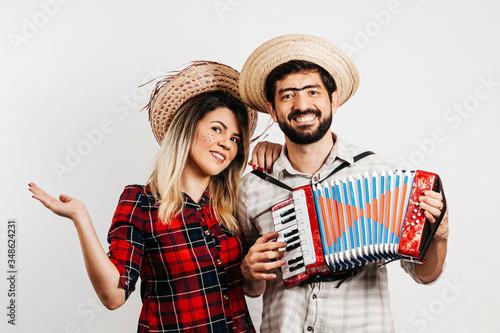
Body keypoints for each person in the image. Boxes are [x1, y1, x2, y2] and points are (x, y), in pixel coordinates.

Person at [237, 34, 449, 332]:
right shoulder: (251, 188)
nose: (301, 104)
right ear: (272, 110)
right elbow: (253, 289)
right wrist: (248, 269)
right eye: (287, 95)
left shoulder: (380, 173)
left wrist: (438, 235)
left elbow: (423, 275)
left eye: (313, 92)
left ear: (333, 100)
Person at [29, 62, 259, 333]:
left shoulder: (231, 205)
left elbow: (253, 290)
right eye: (217, 129)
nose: (226, 143)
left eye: (235, 139)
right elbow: (113, 296)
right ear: (187, 129)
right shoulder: (142, 202)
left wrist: (253, 271)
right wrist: (80, 217)